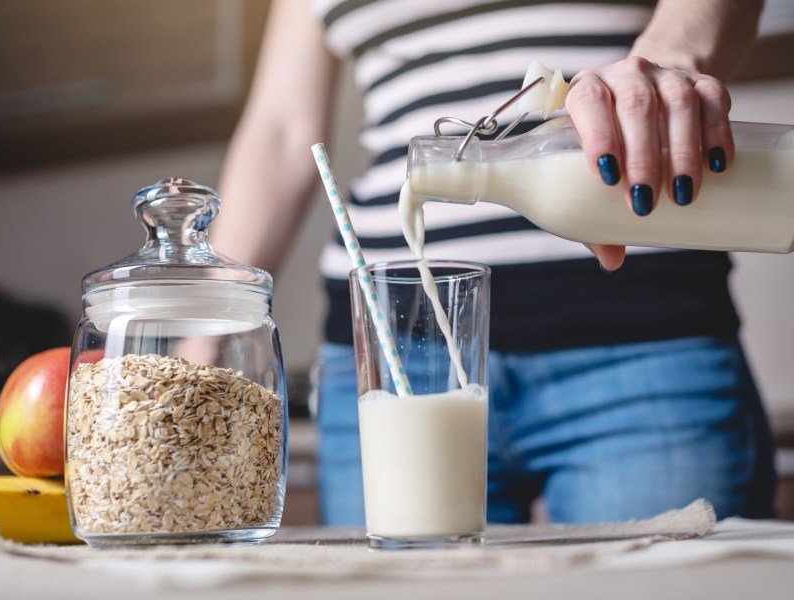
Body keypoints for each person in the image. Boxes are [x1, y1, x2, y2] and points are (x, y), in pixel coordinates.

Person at [212, 0, 776, 524]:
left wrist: (664, 66)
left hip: (640, 332)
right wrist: (201, 337)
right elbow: (281, 130)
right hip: (395, 356)